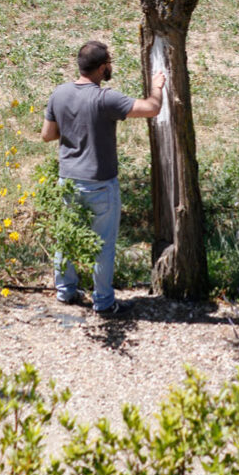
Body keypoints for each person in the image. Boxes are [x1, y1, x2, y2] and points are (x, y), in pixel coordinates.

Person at [41, 40, 165, 318]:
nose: (110, 66)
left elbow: (47, 135)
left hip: (68, 180)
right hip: (100, 183)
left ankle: (65, 290)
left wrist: (75, 128)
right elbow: (152, 108)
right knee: (103, 244)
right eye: (109, 62)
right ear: (101, 67)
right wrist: (157, 86)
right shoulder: (105, 98)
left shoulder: (59, 94)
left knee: (66, 238)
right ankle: (104, 301)